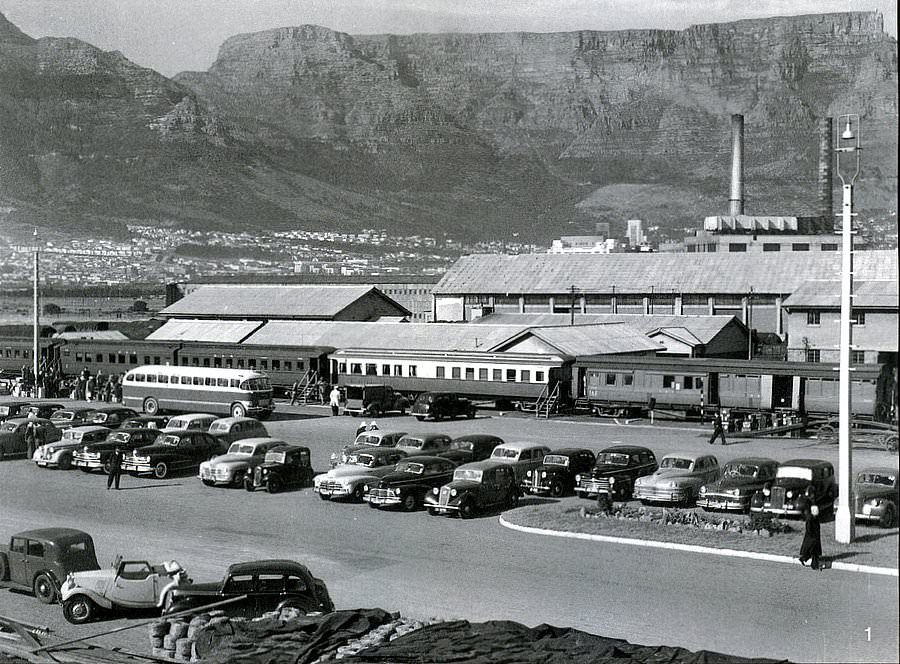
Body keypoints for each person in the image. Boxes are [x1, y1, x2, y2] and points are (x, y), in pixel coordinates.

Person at [798, 487, 823, 570]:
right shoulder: (810, 516)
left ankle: (812, 562)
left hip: (814, 533)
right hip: (812, 534)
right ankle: (806, 559)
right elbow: (809, 527)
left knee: (813, 549)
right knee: (811, 548)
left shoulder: (815, 516)